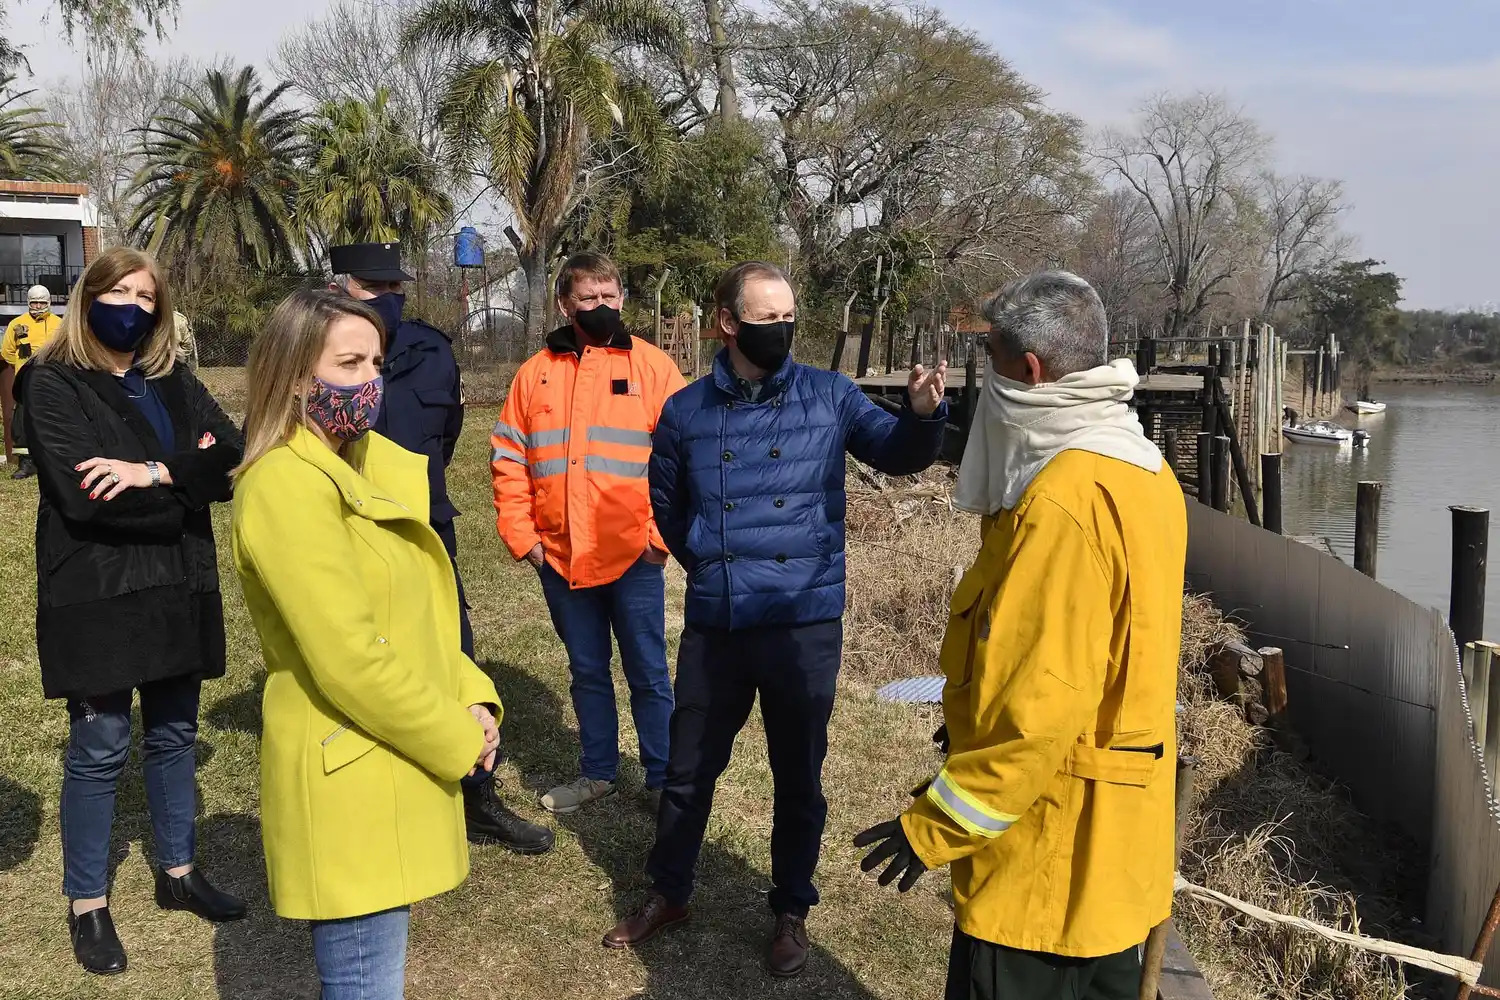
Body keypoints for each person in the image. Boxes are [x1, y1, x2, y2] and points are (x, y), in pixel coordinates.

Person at [603, 261, 949, 977]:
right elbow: (666, 503)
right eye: (767, 319)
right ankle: (669, 892)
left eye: (789, 315)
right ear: (729, 323)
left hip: (803, 620)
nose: (782, 329)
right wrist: (707, 559)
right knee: (690, 768)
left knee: (799, 775)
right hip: (720, 621)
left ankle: (791, 909)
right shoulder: (687, 410)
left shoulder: (830, 395)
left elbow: (896, 452)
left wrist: (922, 416)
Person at [853, 271, 1187, 1000]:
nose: (989, 383)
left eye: (993, 362)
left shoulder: (1063, 502)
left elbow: (1039, 709)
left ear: (1028, 372)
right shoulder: (1142, 468)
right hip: (1111, 853)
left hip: (1048, 871)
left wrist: (931, 825)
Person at [232, 289, 505, 1000]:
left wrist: (473, 696)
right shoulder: (284, 487)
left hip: (385, 754)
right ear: (294, 375)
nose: (368, 382)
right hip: (348, 770)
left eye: (376, 362)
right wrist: (453, 733)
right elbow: (349, 657)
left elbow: (422, 619)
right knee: (363, 985)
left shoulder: (370, 466)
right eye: (347, 363)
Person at [21, 248, 246, 976]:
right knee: (100, 746)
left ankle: (177, 873)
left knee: (175, 732)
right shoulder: (52, 384)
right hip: (98, 592)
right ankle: (88, 902)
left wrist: (150, 473)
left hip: (179, 584)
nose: (133, 305)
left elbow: (233, 457)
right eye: (119, 290)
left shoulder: (171, 379)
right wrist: (188, 480)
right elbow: (86, 497)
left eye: (147, 296)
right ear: (88, 296)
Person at [329, 241, 552, 855]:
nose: (389, 300)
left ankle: (478, 797)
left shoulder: (431, 350)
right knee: (368, 666)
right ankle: (378, 809)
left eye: (396, 289)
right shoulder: (318, 355)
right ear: (339, 287)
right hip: (348, 530)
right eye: (375, 289)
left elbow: (445, 437)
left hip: (426, 527)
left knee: (455, 655)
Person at [491, 252, 686, 816]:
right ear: (564, 304)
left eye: (609, 297)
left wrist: (659, 538)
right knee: (587, 670)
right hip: (560, 557)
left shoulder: (652, 368)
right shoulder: (535, 373)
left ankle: (662, 778)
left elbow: (684, 459)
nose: (601, 307)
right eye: (588, 299)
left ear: (621, 298)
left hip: (633, 557)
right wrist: (525, 540)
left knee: (648, 671)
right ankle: (598, 772)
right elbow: (508, 457)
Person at [3, 284, 63, 478]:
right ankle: (27, 464)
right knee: (23, 422)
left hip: (53, 379)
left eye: (42, 302)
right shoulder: (17, 324)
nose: (38, 306)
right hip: (26, 380)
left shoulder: (60, 324)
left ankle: (54, 461)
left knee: (54, 419)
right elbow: (7, 352)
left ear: (49, 302)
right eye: (34, 302)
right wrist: (21, 366)